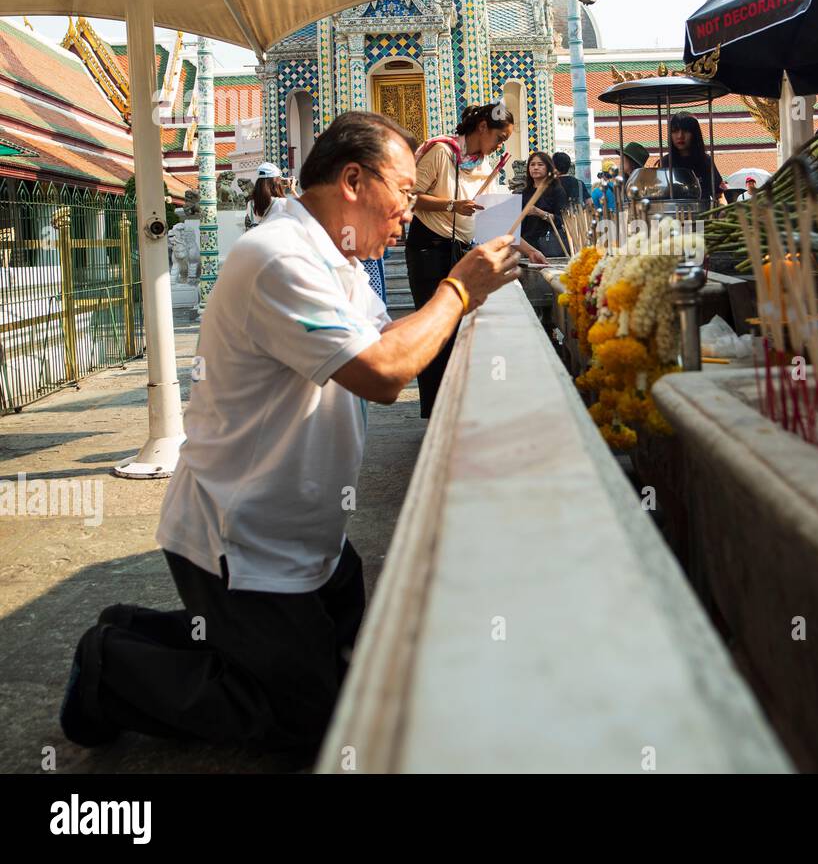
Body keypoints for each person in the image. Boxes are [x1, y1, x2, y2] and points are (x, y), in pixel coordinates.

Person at [59, 111, 522, 759]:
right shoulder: (276, 258)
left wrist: (452, 302)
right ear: (354, 181)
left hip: (306, 530)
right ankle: (110, 666)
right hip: (239, 540)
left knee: (349, 676)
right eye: (406, 195)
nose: (408, 213)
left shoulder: (341, 257)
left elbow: (384, 342)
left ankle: (143, 630)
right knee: (302, 725)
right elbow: (382, 374)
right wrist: (455, 291)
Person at [406, 100, 546, 419]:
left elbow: (494, 215)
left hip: (461, 249)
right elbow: (409, 196)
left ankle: (456, 406)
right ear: (483, 127)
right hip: (428, 247)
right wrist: (451, 206)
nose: (500, 145)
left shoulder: (484, 164)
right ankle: (435, 411)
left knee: (459, 328)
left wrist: (527, 249)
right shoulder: (441, 152)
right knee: (435, 326)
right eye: (499, 137)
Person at [659, 113, 725, 203]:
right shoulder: (666, 162)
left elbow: (719, 195)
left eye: (686, 131)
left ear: (695, 134)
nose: (680, 136)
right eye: (675, 131)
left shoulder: (706, 161)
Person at [519, 151, 569, 258]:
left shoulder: (556, 190)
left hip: (549, 246)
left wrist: (539, 213)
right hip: (528, 246)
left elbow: (563, 221)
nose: (535, 167)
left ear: (548, 168)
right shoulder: (525, 192)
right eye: (532, 164)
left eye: (540, 164)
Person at [244, 162, 287, 228]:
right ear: (276, 182)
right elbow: (304, 214)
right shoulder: (281, 202)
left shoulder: (250, 203)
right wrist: (293, 191)